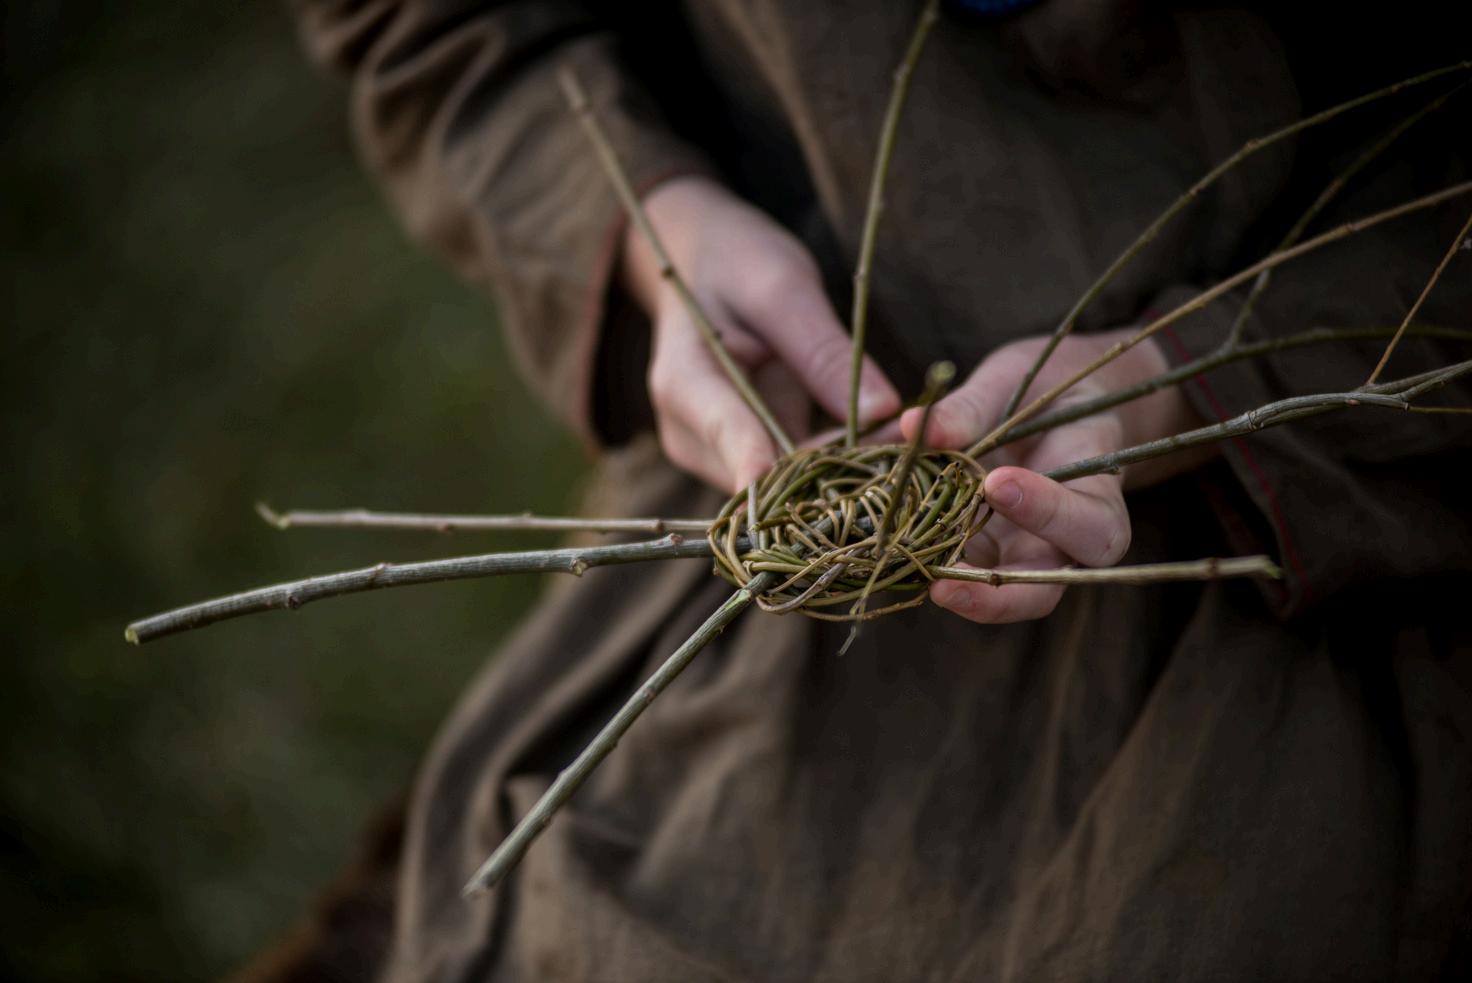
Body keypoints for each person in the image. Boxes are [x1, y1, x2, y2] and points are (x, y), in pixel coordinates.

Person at [259, 1, 1472, 979]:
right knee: (559, 909)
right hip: (757, 469)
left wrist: (1172, 380)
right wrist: (651, 221)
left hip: (1307, 512)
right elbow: (435, 28)